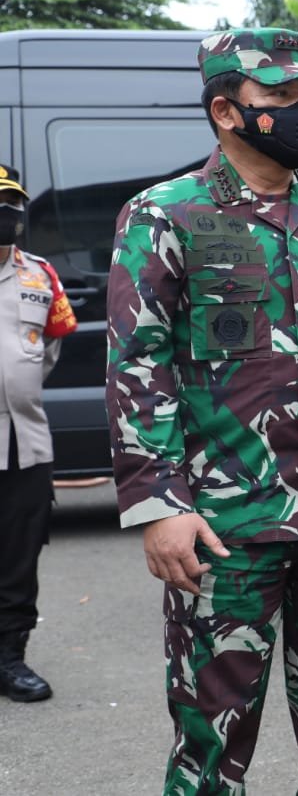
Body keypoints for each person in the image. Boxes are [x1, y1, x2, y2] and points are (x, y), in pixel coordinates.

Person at [106, 29, 298, 794]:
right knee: (210, 746)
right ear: (223, 110)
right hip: (221, 527)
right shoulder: (164, 215)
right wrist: (158, 504)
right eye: (280, 99)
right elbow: (138, 365)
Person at [0, 164, 77, 703]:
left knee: (19, 558)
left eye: (12, 205)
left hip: (25, 443)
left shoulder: (40, 275)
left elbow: (47, 351)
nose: (7, 215)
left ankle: (9, 657)